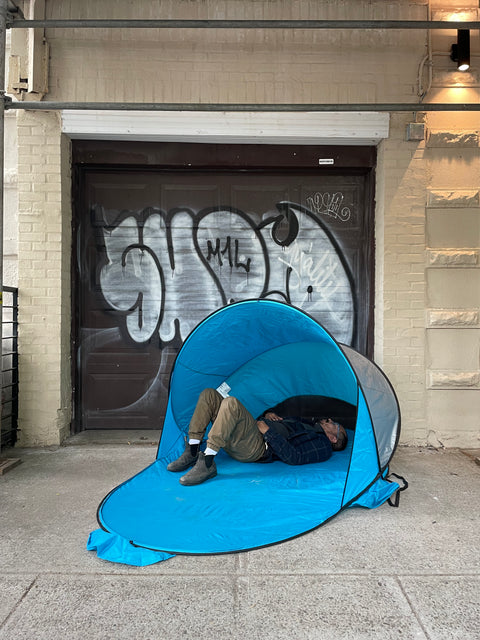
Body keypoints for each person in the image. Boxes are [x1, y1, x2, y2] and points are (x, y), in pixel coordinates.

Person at [167, 388, 348, 486]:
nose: (330, 420)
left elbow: (295, 458)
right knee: (209, 395)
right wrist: (269, 416)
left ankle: (207, 463)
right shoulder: (307, 423)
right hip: (251, 433)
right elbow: (281, 425)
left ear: (334, 438)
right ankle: (192, 450)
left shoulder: (322, 445)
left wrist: (267, 432)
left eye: (335, 425)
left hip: (258, 447)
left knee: (231, 403)